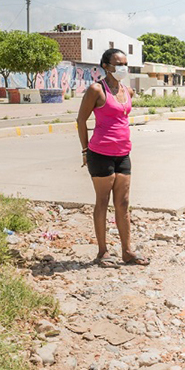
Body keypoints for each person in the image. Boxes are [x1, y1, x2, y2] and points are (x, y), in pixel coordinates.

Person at [76, 48, 149, 267]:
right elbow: (81, 120)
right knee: (102, 202)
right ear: (106, 66)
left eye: (125, 64)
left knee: (123, 203)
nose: (123, 68)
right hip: (100, 154)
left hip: (123, 154)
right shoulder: (96, 90)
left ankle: (127, 251)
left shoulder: (128, 91)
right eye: (118, 64)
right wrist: (84, 150)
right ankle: (102, 252)